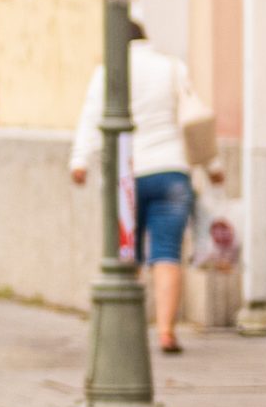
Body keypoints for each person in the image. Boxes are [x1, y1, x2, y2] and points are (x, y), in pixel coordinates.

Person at [68, 20, 220, 354]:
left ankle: (129, 330)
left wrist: (80, 161)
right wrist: (212, 166)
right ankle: (166, 331)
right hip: (171, 172)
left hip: (126, 176)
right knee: (167, 250)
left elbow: (91, 117)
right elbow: (193, 119)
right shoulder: (171, 68)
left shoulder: (108, 71)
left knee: (127, 253)